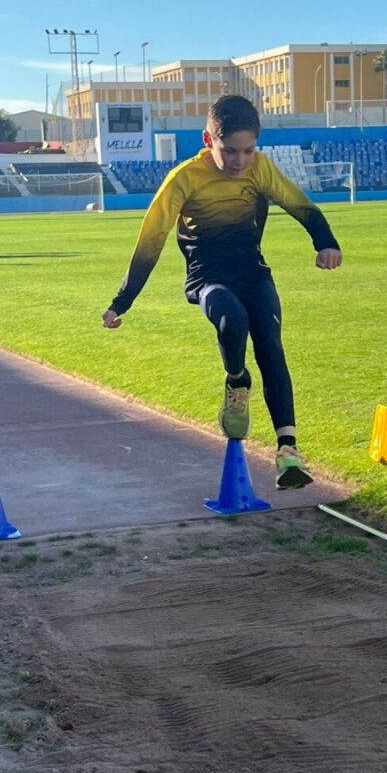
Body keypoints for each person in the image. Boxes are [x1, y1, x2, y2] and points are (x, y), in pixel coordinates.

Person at [102, 94, 342, 489]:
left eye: (248, 151)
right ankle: (236, 380)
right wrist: (121, 302)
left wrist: (325, 242)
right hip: (207, 277)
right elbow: (151, 241)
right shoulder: (184, 179)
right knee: (232, 316)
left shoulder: (260, 169)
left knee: (270, 344)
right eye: (230, 150)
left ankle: (288, 451)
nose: (239, 161)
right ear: (208, 139)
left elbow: (299, 205)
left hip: (252, 271)